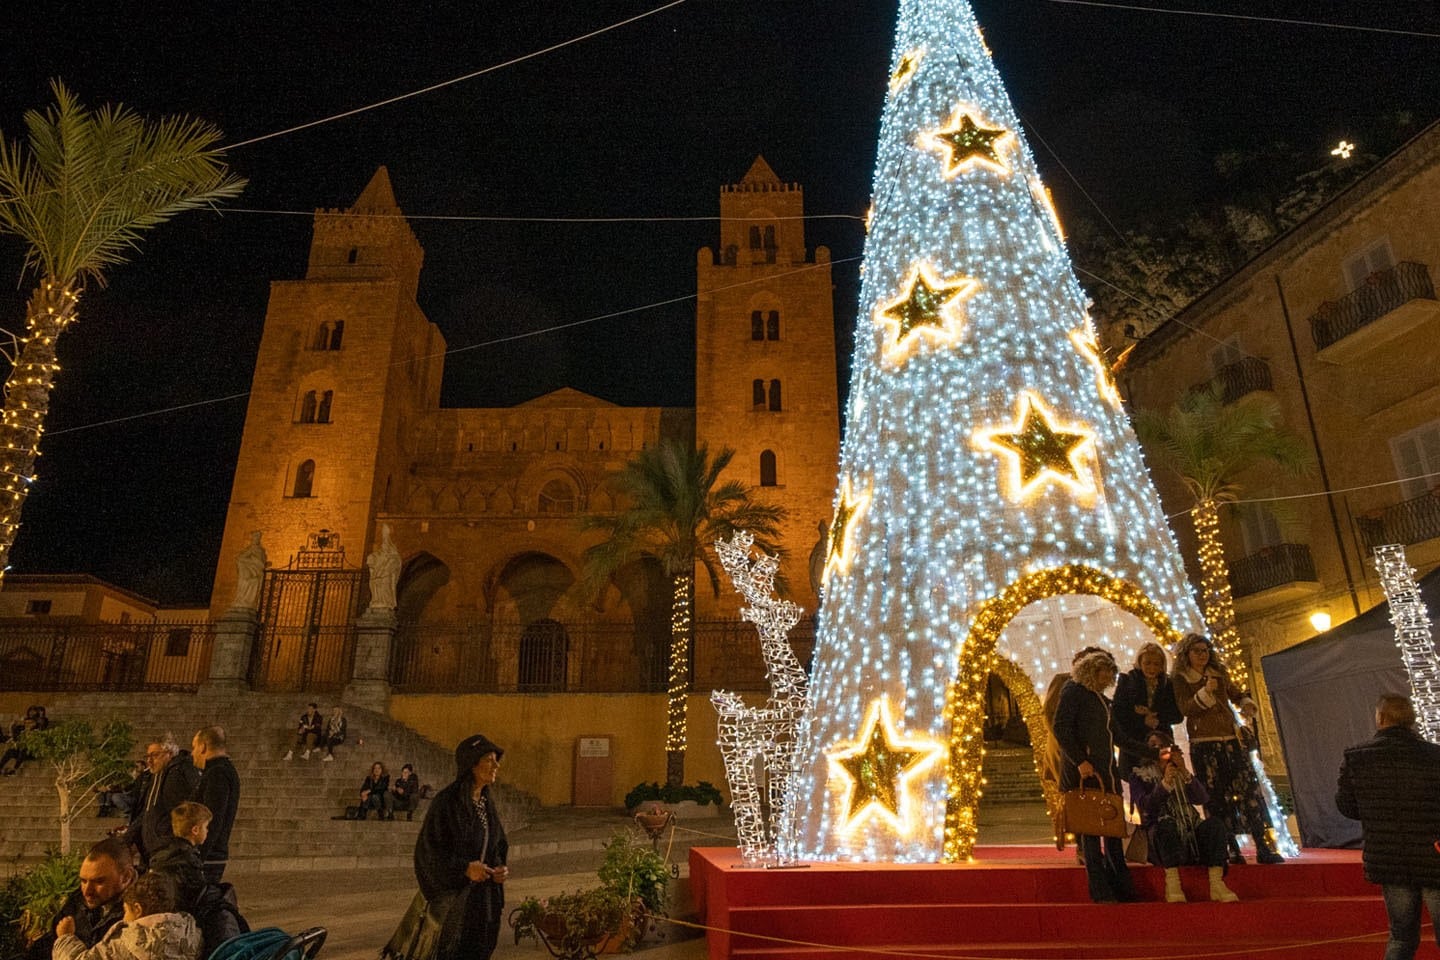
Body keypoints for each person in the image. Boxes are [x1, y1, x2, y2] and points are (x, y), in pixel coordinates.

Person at [1336, 693, 1440, 960]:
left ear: (1380, 718)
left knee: (1402, 938)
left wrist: (1377, 814)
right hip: (1434, 857)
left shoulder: (1357, 757)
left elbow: (1346, 806)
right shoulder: (1434, 756)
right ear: (1412, 720)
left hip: (1390, 858)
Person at [1171, 633, 1283, 864]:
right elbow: (1185, 708)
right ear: (1186, 655)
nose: (1202, 655)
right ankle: (1229, 847)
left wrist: (1245, 703)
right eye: (1197, 651)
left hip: (1231, 741)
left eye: (1205, 650)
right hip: (1205, 744)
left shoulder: (1217, 673)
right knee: (1215, 797)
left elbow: (1234, 692)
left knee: (1248, 791)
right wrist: (1205, 693)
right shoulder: (1181, 678)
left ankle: (1262, 844)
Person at [406, 734, 510, 960]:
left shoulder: (485, 802)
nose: (496, 765)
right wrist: (464, 868)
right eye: (490, 760)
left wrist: (500, 868)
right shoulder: (447, 802)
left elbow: (497, 845)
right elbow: (427, 854)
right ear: (472, 764)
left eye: (496, 760)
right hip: (456, 907)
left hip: (483, 904)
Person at [1052, 650, 1140, 903]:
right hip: (1086, 775)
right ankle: (1100, 889)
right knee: (1090, 834)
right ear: (1093, 671)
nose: (1109, 680)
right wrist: (1080, 761)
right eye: (1106, 674)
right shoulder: (1074, 691)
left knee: (1112, 830)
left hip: (1106, 773)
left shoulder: (1101, 699)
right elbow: (1061, 727)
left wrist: (1153, 752)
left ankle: (1120, 885)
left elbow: (1119, 737)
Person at [1129, 732, 1237, 903]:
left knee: (1215, 825)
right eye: (1152, 746)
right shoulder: (1140, 775)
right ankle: (1173, 884)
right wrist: (1164, 784)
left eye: (1161, 746)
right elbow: (1146, 807)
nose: (1158, 749)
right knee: (1167, 825)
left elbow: (1201, 798)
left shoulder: (1180, 773)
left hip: (1189, 829)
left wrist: (1184, 771)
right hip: (1161, 835)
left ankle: (1217, 884)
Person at [25, 838, 136, 960]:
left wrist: (66, 939)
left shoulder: (144, 912)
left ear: (126, 877)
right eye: (83, 880)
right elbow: (48, 945)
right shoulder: (77, 902)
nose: (87, 891)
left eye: (99, 881)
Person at [53, 871, 202, 960]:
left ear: (137, 909)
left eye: (126, 911)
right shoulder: (191, 933)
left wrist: (65, 937)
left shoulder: (127, 944)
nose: (124, 918)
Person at [1112, 642, 1182, 781]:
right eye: (1148, 663)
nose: (1152, 668)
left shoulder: (1167, 684)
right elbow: (1118, 714)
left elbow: (1177, 715)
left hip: (1162, 742)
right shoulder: (1127, 681)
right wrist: (1141, 720)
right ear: (1140, 662)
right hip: (1135, 745)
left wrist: (1157, 718)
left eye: (1156, 664)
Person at [132, 737, 201, 864]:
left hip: (167, 849)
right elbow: (147, 811)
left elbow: (180, 812)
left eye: (154, 755)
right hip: (155, 848)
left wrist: (165, 839)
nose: (149, 761)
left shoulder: (175, 775)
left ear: (169, 754)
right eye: (147, 756)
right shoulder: (157, 776)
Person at [189, 727, 239, 883]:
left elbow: (212, 819)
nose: (192, 753)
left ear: (203, 746)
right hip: (211, 854)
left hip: (208, 857)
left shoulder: (217, 773)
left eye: (194, 747)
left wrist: (197, 858)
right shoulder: (221, 770)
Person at [2, 704, 50, 775]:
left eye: (33, 715)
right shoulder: (22, 727)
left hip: (32, 752)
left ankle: (14, 768)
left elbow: (43, 723)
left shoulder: (40, 726)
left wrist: (38, 718)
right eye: (30, 714)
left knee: (24, 749)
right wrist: (13, 728)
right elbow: (15, 739)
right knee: (10, 751)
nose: (30, 721)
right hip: (21, 750)